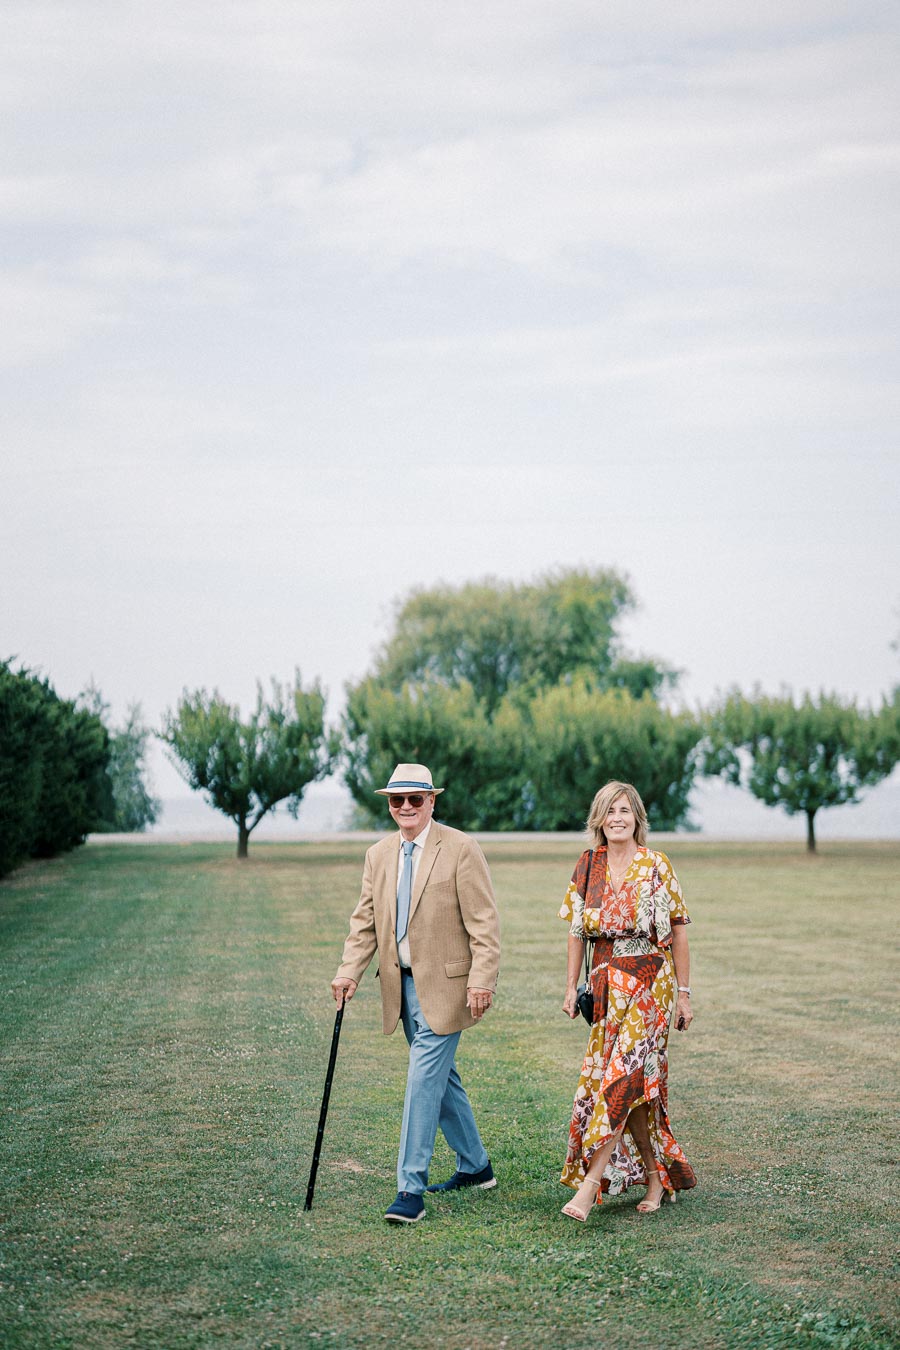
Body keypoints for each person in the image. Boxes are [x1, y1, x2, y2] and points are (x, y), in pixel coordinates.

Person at [331, 762, 501, 1225]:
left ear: (432, 801)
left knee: (423, 1079)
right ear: (388, 804)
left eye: (415, 799)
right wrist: (349, 972)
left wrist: (482, 979)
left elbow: (484, 924)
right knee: (442, 1080)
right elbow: (365, 922)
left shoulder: (461, 848)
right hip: (400, 988)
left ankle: (410, 1188)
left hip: (449, 988)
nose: (405, 807)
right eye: (396, 800)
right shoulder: (378, 854)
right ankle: (476, 1166)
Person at [558, 780, 697, 1221]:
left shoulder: (656, 865)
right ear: (599, 819)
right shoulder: (588, 865)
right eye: (609, 811)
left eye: (625, 810)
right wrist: (569, 987)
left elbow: (677, 930)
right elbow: (577, 931)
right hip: (605, 991)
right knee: (631, 1087)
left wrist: (685, 996)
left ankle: (588, 1187)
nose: (617, 818)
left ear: (637, 817)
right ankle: (657, 1178)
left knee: (620, 1082)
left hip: (650, 987)